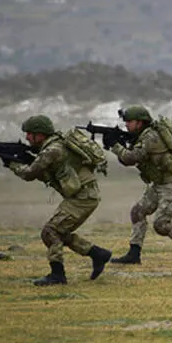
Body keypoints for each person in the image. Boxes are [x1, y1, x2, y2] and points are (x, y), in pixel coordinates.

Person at [8, 115, 111, 286]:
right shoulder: (53, 145)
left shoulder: (52, 150)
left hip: (83, 198)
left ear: (40, 134)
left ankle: (57, 275)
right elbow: (45, 173)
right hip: (83, 196)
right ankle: (98, 254)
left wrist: (12, 164)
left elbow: (29, 174)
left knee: (50, 232)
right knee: (59, 232)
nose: (26, 137)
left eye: (29, 134)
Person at [107, 105, 172, 264]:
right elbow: (130, 158)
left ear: (140, 123)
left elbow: (132, 157)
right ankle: (134, 255)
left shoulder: (151, 137)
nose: (126, 124)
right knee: (138, 212)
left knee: (161, 224)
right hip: (160, 183)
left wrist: (115, 146)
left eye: (129, 121)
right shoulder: (143, 135)